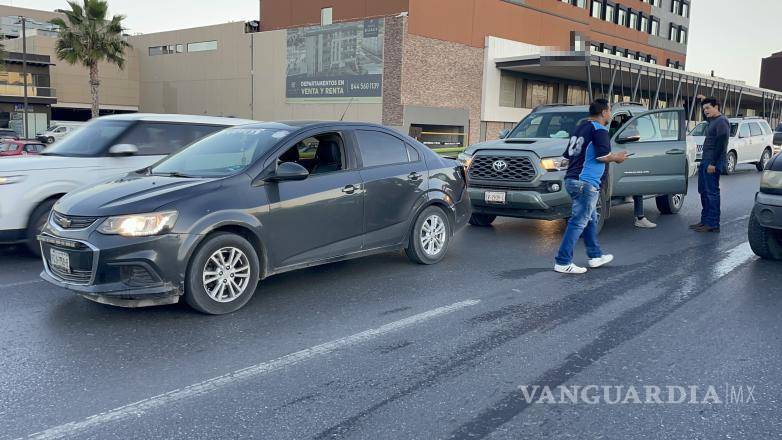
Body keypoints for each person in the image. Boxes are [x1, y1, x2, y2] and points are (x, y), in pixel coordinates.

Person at [554, 98, 629, 274]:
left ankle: (595, 256)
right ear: (603, 112)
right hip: (586, 182)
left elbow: (568, 156)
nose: (610, 114)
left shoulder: (580, 127)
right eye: (609, 111)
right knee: (579, 221)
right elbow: (602, 156)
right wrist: (617, 157)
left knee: (590, 219)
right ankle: (563, 261)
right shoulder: (600, 129)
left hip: (573, 180)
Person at [690, 97, 729, 233]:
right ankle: (705, 221)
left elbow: (721, 143)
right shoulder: (712, 121)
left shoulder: (722, 121)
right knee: (703, 191)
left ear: (716, 106)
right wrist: (702, 99)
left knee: (712, 193)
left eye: (708, 108)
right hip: (705, 160)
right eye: (704, 108)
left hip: (712, 161)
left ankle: (712, 223)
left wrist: (713, 163)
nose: (705, 111)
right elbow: (706, 116)